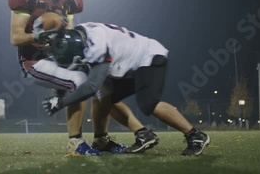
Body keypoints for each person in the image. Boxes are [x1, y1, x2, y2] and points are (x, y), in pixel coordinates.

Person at [8, 0, 158, 155]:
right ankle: (75, 143)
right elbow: (15, 38)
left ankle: (102, 140)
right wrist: (42, 35)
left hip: (61, 57)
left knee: (104, 85)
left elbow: (69, 34)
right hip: (34, 61)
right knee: (79, 82)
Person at [41, 22, 211, 156]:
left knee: (148, 103)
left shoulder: (97, 45)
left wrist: (60, 102)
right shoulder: (81, 33)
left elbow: (91, 86)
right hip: (131, 61)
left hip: (148, 57)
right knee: (105, 96)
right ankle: (139, 135)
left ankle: (194, 135)